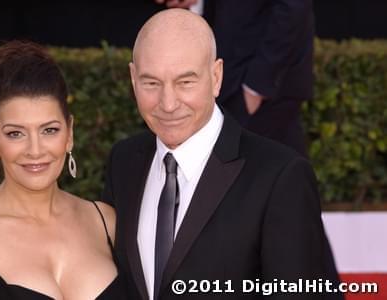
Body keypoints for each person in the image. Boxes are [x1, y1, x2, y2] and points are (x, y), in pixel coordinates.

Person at [103, 9, 340, 300]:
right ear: (132, 78)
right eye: (151, 83)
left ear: (216, 77)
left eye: (185, 82)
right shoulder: (123, 162)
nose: (167, 103)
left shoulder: (280, 176)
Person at [0, 40, 127, 300]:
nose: (35, 150)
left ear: (69, 133)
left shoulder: (106, 222)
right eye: (15, 133)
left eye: (50, 130)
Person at [157, 0, 314, 156]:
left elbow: (293, 6)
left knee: (273, 172)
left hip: (259, 90)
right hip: (223, 80)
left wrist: (256, 87)